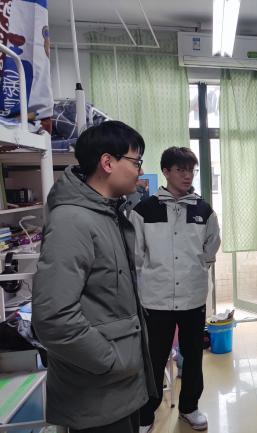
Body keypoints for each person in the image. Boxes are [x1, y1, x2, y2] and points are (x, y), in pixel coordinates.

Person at [32, 121, 155, 433]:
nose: (140, 170)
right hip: (98, 391)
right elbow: (53, 319)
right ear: (107, 162)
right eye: (136, 161)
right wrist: (111, 361)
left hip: (118, 388)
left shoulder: (108, 214)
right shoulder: (72, 220)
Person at [130, 147, 221, 433]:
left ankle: (190, 408)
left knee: (193, 357)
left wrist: (197, 267)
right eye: (180, 170)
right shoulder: (144, 210)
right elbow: (136, 254)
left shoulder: (203, 210)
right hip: (155, 300)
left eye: (190, 170)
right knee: (154, 359)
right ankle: (147, 414)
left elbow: (211, 247)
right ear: (166, 172)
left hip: (193, 298)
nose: (187, 175)